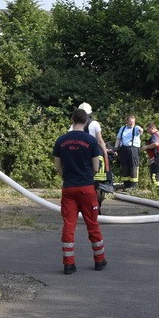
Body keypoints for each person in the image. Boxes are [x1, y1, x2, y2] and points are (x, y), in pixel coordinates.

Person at [53, 108, 108, 275]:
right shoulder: (91, 141)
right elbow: (96, 167)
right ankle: (99, 260)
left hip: (69, 187)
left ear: (72, 119)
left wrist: (68, 177)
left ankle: (68, 264)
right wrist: (86, 177)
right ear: (86, 122)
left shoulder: (61, 140)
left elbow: (57, 166)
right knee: (92, 223)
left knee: (69, 225)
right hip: (86, 188)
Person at [79, 102, 113, 207]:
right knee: (99, 182)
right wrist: (105, 154)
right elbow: (100, 141)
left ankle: (84, 205)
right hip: (96, 154)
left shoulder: (74, 125)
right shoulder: (95, 124)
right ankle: (96, 205)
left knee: (83, 180)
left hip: (81, 155)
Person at [114, 114, 144, 190]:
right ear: (126, 121)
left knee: (133, 166)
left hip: (133, 149)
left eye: (133, 122)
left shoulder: (136, 128)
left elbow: (141, 130)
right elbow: (118, 139)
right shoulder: (123, 128)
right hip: (124, 149)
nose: (132, 124)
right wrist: (115, 148)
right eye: (130, 122)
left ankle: (133, 186)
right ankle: (126, 185)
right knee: (125, 166)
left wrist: (141, 131)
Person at [142, 120, 159, 195]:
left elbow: (156, 144)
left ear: (151, 128)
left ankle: (158, 193)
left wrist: (146, 147)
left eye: (148, 129)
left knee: (155, 176)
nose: (148, 131)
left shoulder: (155, 135)